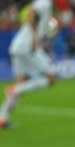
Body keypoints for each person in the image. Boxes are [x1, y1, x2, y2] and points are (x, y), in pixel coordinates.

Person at [0, 0, 57, 129]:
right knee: (51, 78)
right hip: (29, 47)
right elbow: (31, 14)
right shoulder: (45, 2)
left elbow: (38, 20)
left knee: (22, 81)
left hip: (17, 46)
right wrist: (35, 37)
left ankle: (2, 119)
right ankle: (15, 90)